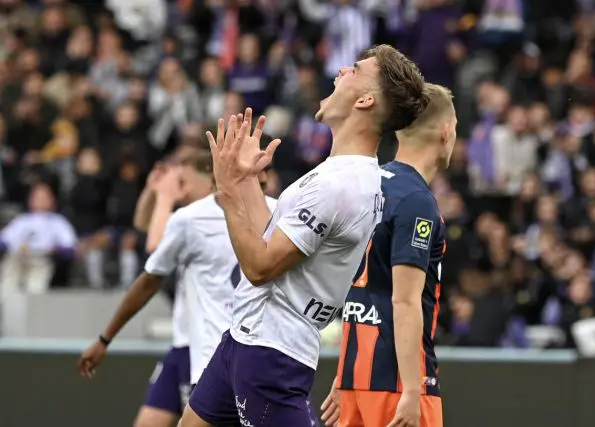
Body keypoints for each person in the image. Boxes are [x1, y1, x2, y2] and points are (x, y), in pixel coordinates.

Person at [180, 44, 426, 427]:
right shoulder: (341, 174)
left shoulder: (341, 185)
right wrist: (245, 180)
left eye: (356, 69)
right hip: (245, 338)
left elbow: (261, 267)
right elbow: (270, 238)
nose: (341, 70)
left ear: (365, 100)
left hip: (271, 352)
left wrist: (227, 192)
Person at [78, 149, 276, 427]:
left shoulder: (197, 217)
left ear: (209, 179)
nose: (178, 188)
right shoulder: (193, 218)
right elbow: (147, 229)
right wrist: (153, 193)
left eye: (182, 181)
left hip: (222, 349)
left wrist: (164, 197)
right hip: (190, 343)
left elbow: (153, 250)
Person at [321, 83, 457, 427]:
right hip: (397, 384)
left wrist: (343, 375)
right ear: (446, 132)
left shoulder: (367, 182)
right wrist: (412, 390)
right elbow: (404, 301)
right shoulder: (416, 200)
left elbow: (352, 288)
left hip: (355, 380)